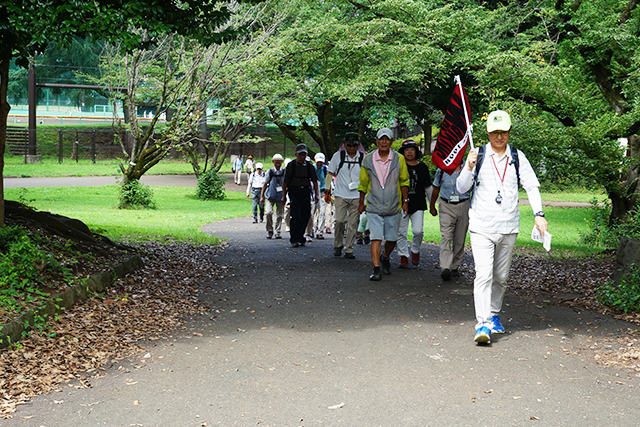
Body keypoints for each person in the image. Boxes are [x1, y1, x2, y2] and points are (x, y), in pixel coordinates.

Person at [456, 110, 549, 345]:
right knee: (484, 274)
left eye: (504, 132)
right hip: (481, 226)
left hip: (508, 226)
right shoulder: (478, 155)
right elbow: (460, 188)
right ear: (488, 132)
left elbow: (531, 186)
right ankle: (482, 323)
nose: (499, 136)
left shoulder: (517, 156)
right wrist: (468, 166)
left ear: (509, 133)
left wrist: (539, 214)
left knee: (501, 276)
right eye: (495, 132)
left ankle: (494, 314)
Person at [358, 128, 410, 280]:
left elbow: (404, 181)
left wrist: (405, 201)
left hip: (393, 205)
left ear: (392, 142)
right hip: (373, 206)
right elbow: (362, 183)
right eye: (381, 139)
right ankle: (376, 269)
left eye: (387, 139)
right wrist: (361, 202)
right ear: (377, 141)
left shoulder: (398, 159)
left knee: (392, 239)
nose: (384, 142)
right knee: (375, 238)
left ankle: (385, 256)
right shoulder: (368, 159)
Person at [326, 133, 365, 259]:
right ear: (344, 144)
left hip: (356, 195)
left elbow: (367, 177)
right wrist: (327, 190)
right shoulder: (338, 156)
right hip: (341, 194)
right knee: (340, 221)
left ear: (358, 145)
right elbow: (330, 174)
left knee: (353, 224)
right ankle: (338, 245)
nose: (352, 148)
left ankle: (349, 249)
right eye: (349, 145)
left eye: (354, 145)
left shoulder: (363, 158)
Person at [430, 164, 471, 281]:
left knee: (460, 238)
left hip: (464, 205)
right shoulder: (442, 169)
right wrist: (432, 205)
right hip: (446, 205)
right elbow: (436, 187)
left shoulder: (469, 169)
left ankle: (454, 266)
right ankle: (445, 267)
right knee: (446, 236)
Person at [396, 140, 432, 268]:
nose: (409, 152)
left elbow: (428, 187)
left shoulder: (422, 167)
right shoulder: (398, 166)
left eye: (412, 149)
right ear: (403, 152)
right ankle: (403, 256)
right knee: (401, 232)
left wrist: (432, 203)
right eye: (407, 150)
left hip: (418, 203)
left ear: (416, 152)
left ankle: (415, 250)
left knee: (418, 231)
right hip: (401, 204)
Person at [282, 144, 320, 248]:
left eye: (304, 154)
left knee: (306, 215)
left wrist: (316, 194)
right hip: (294, 191)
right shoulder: (291, 165)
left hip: (306, 191)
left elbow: (315, 181)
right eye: (300, 154)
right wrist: (284, 195)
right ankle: (294, 238)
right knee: (296, 215)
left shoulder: (309, 166)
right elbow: (285, 182)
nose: (302, 157)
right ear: (296, 154)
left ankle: (300, 236)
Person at [261, 154, 286, 239]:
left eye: (279, 162)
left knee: (280, 215)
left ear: (282, 162)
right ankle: (269, 230)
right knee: (268, 212)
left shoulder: (284, 172)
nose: (277, 163)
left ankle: (278, 231)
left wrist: (285, 196)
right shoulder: (270, 172)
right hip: (270, 196)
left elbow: (287, 184)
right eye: (276, 162)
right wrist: (262, 197)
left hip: (280, 196)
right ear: (273, 162)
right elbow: (265, 184)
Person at [310, 152, 328, 240]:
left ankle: (320, 232)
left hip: (322, 192)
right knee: (312, 213)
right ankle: (311, 230)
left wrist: (329, 192)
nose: (320, 164)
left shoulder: (325, 169)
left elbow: (328, 180)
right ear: (315, 161)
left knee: (322, 212)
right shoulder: (311, 168)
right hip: (313, 192)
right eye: (318, 162)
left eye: (321, 162)